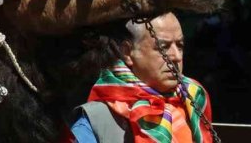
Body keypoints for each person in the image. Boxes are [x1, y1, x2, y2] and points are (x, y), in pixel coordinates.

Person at [70, 13, 214, 143]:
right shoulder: (97, 119)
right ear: (127, 52)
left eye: (180, 46)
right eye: (163, 47)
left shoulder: (195, 101)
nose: (176, 56)